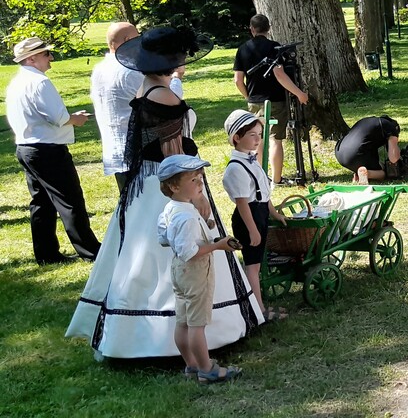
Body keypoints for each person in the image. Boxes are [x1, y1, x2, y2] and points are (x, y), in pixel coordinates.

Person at [68, 27, 262, 359]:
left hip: (147, 182)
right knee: (178, 250)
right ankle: (188, 338)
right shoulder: (164, 96)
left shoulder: (146, 86)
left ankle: (134, 334)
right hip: (170, 184)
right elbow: (174, 155)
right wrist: (196, 196)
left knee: (139, 252)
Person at [6, 37, 102, 264]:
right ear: (31, 59)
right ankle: (91, 251)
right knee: (70, 201)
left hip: (27, 148)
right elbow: (59, 118)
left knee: (41, 202)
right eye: (46, 54)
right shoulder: (39, 82)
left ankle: (46, 254)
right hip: (47, 150)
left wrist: (71, 118)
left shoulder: (17, 82)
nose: (51, 58)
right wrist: (76, 119)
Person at [156, 154, 244, 383]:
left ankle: (192, 365)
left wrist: (204, 226)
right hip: (194, 272)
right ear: (174, 186)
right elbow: (190, 252)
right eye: (193, 180)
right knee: (196, 325)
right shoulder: (186, 216)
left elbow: (164, 238)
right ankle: (207, 369)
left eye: (200, 178)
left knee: (183, 321)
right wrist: (218, 245)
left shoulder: (174, 208)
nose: (200, 184)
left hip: (179, 271)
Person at [222, 110, 288, 322]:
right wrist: (252, 230)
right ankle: (258, 311)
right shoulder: (236, 168)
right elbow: (243, 203)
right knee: (252, 266)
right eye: (252, 135)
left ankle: (259, 306)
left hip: (259, 214)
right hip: (248, 218)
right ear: (236, 138)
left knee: (256, 264)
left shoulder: (252, 160)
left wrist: (274, 213)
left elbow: (263, 194)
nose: (258, 139)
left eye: (259, 134)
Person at [233, 13, 310, 185]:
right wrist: (299, 93)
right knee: (275, 139)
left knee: (258, 139)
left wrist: (248, 96)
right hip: (275, 100)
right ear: (268, 28)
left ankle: (261, 177)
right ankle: (276, 179)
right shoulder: (275, 48)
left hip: (254, 101)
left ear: (252, 29)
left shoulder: (242, 49)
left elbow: (238, 80)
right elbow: (280, 75)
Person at [90, 22, 143, 193]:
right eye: (137, 38)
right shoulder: (130, 71)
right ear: (127, 40)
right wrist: (175, 78)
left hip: (114, 149)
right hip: (137, 151)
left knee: (128, 202)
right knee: (145, 204)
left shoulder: (99, 69)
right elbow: (159, 101)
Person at [335, 116, 402, 182]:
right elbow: (393, 159)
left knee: (369, 164)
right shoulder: (391, 127)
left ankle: (358, 174)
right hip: (356, 154)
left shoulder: (370, 122)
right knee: (384, 173)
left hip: (339, 153)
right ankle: (367, 174)